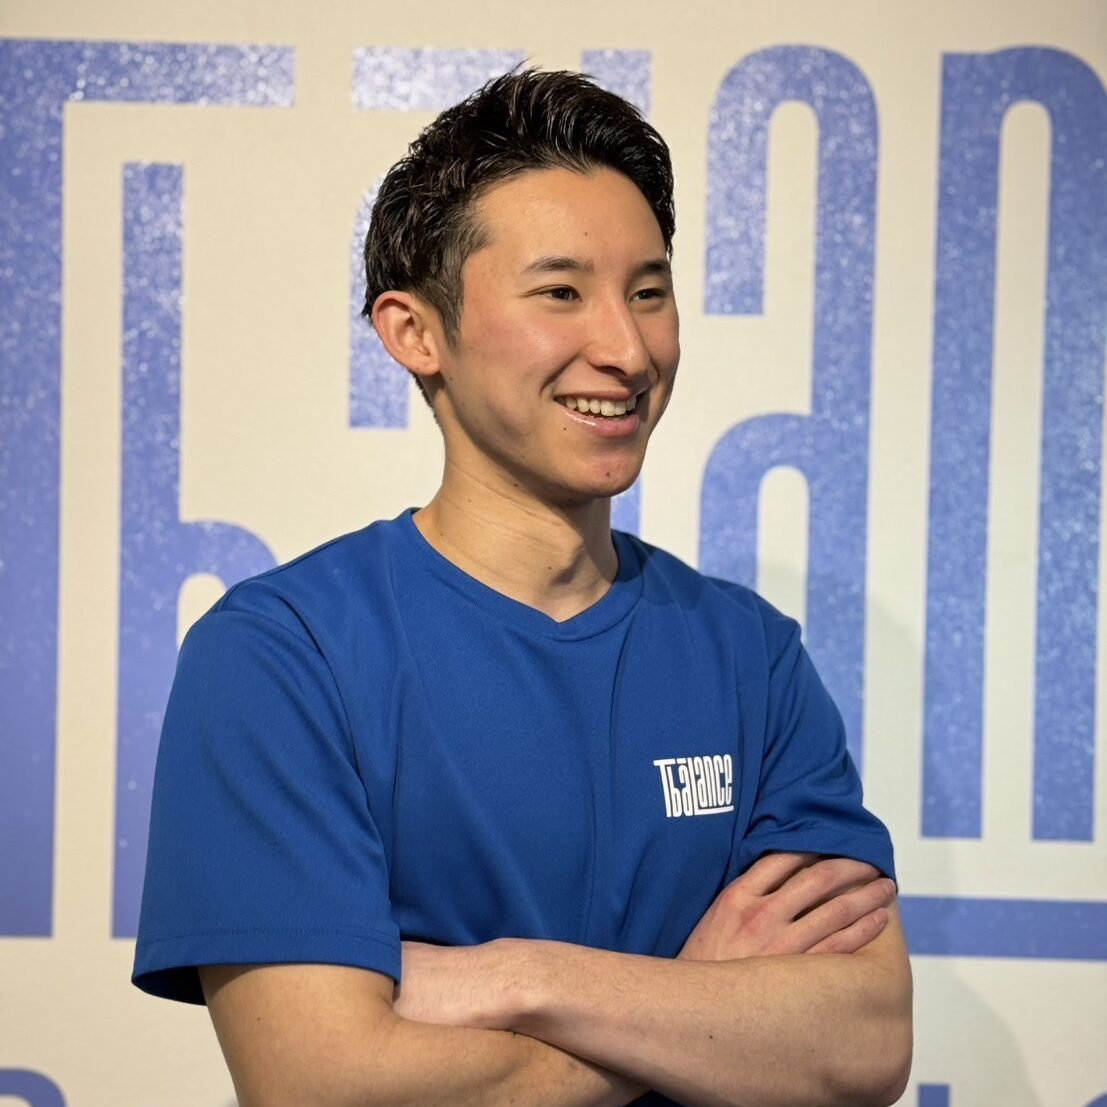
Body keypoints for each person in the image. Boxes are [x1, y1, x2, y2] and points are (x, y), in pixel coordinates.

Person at [133, 68, 912, 1106]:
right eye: (561, 293)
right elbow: (320, 1082)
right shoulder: (283, 654)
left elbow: (860, 1042)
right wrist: (697, 997)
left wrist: (516, 977)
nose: (626, 349)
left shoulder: (749, 656)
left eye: (649, 291)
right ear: (415, 333)